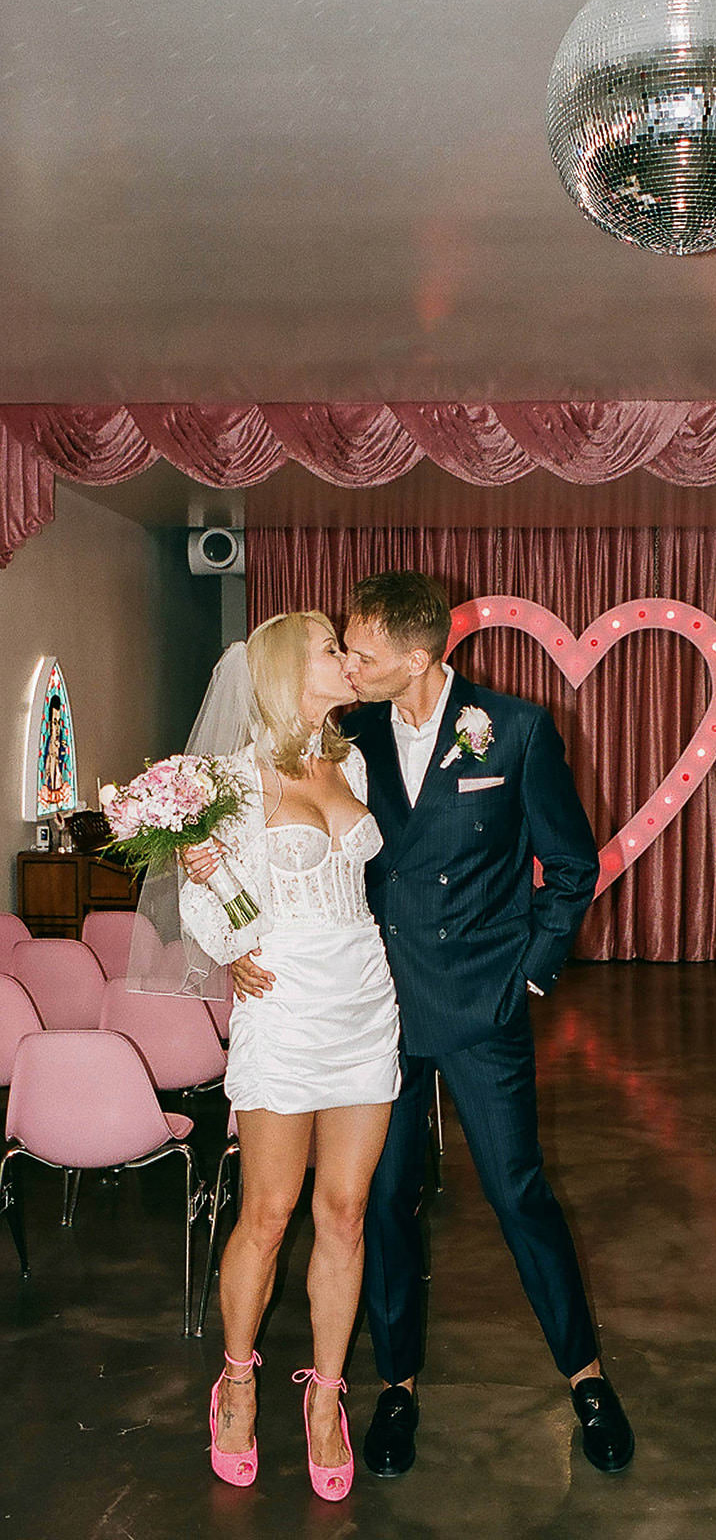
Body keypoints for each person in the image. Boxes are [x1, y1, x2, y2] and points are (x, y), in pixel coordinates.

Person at [232, 572, 634, 1475]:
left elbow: (570, 867)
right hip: (373, 1015)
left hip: (483, 1008)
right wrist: (232, 938)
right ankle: (396, 1388)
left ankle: (588, 1378)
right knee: (383, 1205)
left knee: (519, 1193)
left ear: (418, 658)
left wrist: (528, 978)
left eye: (361, 653)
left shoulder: (517, 729)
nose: (350, 663)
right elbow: (265, 833)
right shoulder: (349, 736)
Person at [180, 611, 400, 1502]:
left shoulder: (348, 762)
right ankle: (238, 1380)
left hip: (364, 1001)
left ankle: (326, 1397)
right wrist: (229, 939)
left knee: (345, 1214)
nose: (345, 659)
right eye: (328, 648)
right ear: (284, 668)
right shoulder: (230, 778)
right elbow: (205, 898)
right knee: (269, 1213)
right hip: (286, 1008)